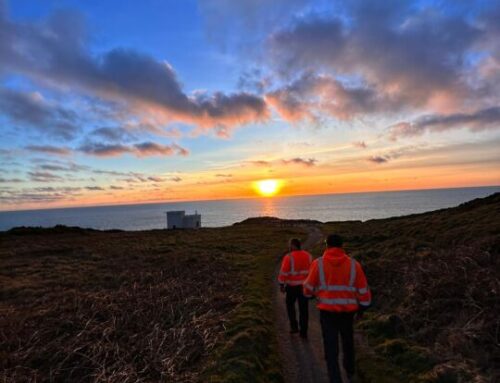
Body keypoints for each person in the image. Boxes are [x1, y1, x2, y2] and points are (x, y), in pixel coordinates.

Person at [303, 234, 371, 383]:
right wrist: (363, 307)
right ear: (342, 246)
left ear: (327, 245)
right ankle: (350, 370)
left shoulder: (318, 264)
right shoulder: (354, 265)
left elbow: (307, 288)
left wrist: (310, 295)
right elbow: (363, 290)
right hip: (348, 312)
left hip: (327, 313)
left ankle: (335, 378)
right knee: (348, 341)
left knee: (330, 345)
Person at [278, 238, 313, 338]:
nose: (289, 247)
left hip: (292, 287)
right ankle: (304, 331)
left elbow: (283, 272)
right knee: (304, 309)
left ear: (293, 245)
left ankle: (294, 327)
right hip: (304, 287)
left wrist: (281, 284)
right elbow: (312, 271)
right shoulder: (308, 256)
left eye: (289, 245)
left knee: (290, 306)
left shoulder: (289, 257)